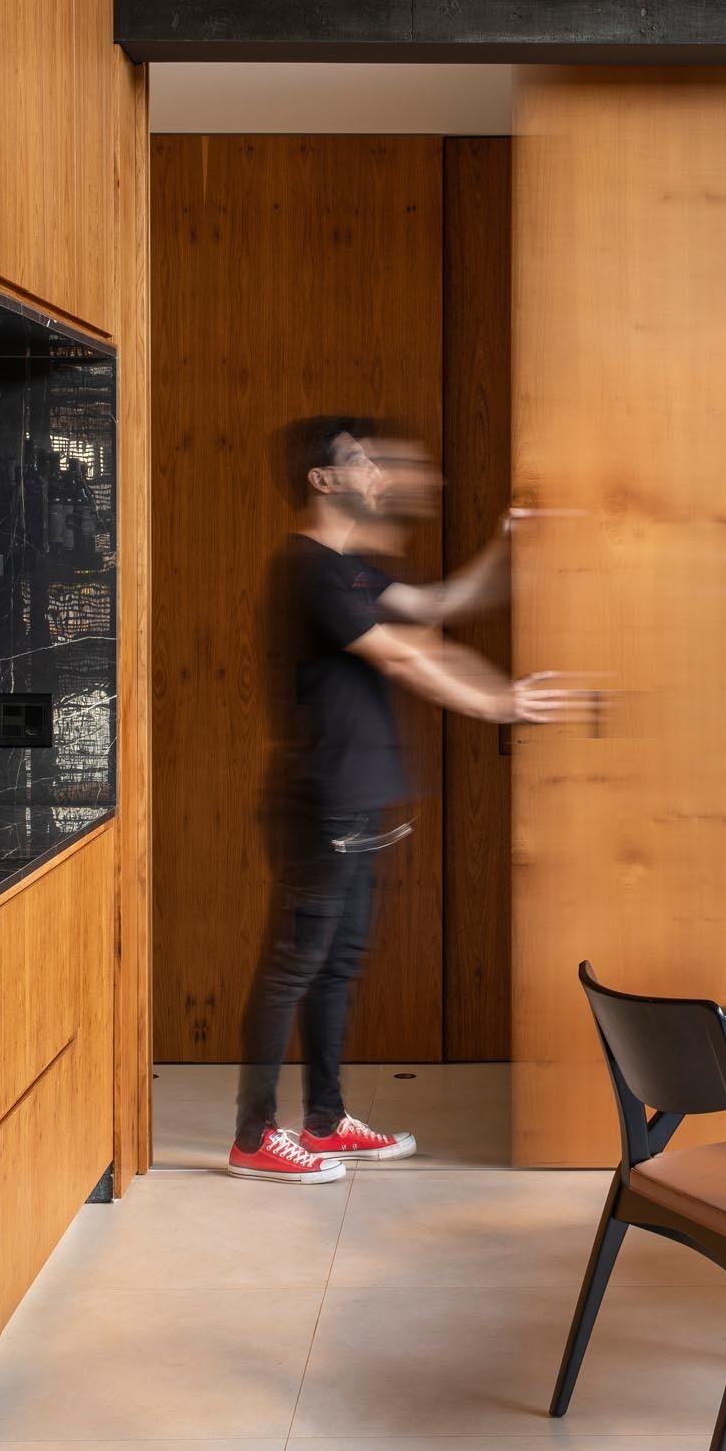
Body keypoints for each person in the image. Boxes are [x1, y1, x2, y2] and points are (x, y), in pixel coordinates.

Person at [230, 415, 571, 1182]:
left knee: (336, 964)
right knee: (294, 964)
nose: (379, 474)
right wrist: (500, 703)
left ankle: (322, 1122)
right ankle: (254, 1136)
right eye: (362, 463)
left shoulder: (353, 571)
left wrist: (510, 539)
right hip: (320, 801)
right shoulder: (309, 570)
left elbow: (442, 604)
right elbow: (405, 656)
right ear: (323, 480)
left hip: (355, 800)